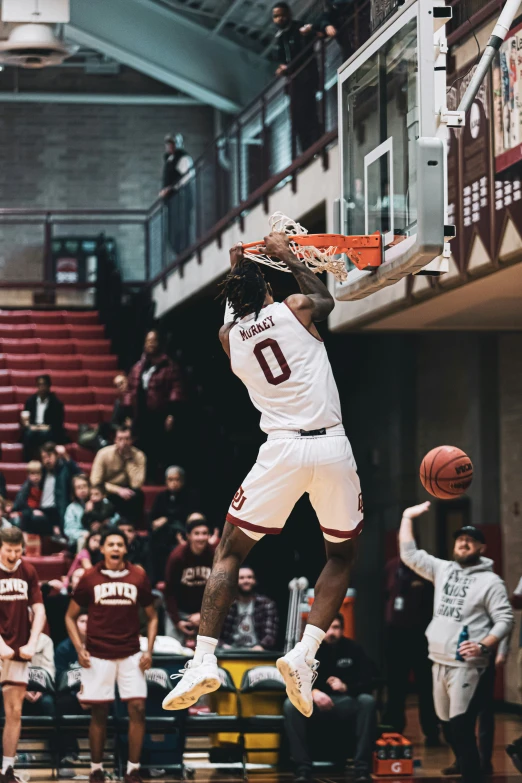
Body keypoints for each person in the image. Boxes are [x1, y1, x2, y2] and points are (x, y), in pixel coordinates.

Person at [163, 235, 363, 715]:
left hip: (280, 451)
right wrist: (289, 255)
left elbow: (237, 313)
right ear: (270, 289)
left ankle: (204, 660)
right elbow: (325, 298)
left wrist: (239, 267)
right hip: (331, 443)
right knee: (340, 556)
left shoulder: (229, 340)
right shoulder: (295, 306)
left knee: (229, 550)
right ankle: (304, 653)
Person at [399, 502, 513, 783]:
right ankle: (466, 765)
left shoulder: (491, 582)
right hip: (438, 661)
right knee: (448, 725)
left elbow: (505, 619)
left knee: (461, 727)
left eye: (471, 540)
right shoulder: (444, 569)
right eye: (461, 539)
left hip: (467, 666)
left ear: (482, 548)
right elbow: (409, 554)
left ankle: (473, 776)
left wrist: (484, 645)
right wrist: (406, 517)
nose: (463, 543)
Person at [65, 526, 158, 783]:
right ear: (102, 549)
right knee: (99, 712)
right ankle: (96, 769)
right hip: (97, 653)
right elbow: (70, 617)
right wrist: (79, 647)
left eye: (120, 544)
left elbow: (152, 617)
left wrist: (148, 649)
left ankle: (133, 770)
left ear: (125, 549)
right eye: (111, 544)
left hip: (130, 653)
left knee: (138, 708)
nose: (116, 548)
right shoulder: (89, 577)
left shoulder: (138, 576)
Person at [284, 615, 377, 783]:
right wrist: (314, 693)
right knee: (290, 705)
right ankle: (302, 770)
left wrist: (346, 687)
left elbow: (370, 681)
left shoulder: (354, 649)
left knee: (367, 701)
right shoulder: (307, 653)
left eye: (336, 628)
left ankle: (362, 769)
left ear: (342, 629)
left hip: (345, 702)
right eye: (327, 628)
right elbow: (293, 682)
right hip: (314, 705)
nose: (331, 632)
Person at [0, 527, 46, 783]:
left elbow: (39, 611)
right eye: (9, 550)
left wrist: (32, 643)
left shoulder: (27, 570)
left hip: (17, 650)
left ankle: (7, 770)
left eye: (18, 551)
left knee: (14, 711)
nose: (14, 555)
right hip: (1, 646)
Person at [382, 554, 440, 744]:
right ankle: (393, 728)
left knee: (426, 686)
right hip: (396, 635)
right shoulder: (391, 566)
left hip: (422, 635)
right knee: (396, 685)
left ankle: (431, 731)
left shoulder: (425, 568)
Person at [126, 330, 185, 481]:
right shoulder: (139, 366)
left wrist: (172, 413)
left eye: (153, 341)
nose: (151, 344)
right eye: (148, 341)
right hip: (141, 412)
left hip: (159, 413)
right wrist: (128, 413)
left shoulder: (168, 366)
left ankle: (157, 477)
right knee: (140, 445)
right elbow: (131, 388)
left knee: (158, 447)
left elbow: (176, 390)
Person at [272, 3, 320, 153]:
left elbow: (306, 51)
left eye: (282, 15)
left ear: (289, 15)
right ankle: (306, 151)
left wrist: (288, 68)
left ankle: (316, 146)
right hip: (294, 83)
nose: (279, 19)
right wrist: (282, 69)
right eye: (276, 16)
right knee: (297, 120)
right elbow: (281, 60)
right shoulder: (280, 38)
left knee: (309, 113)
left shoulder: (299, 29)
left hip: (306, 78)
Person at [164, 514, 217, 643]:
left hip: (207, 611)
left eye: (205, 533)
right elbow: (169, 591)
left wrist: (202, 614)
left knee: (210, 648)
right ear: (188, 536)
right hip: (179, 611)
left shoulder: (215, 555)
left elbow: (218, 591)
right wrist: (177, 621)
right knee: (172, 647)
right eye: (196, 533)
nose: (201, 537)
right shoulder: (177, 557)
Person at [149, 466, 199, 584]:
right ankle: (157, 580)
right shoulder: (161, 496)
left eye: (177, 480)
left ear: (182, 481)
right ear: (166, 481)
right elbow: (153, 517)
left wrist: (166, 519)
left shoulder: (191, 495)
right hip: (163, 534)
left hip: (181, 531)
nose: (174, 483)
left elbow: (186, 515)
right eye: (170, 480)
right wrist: (155, 523)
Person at [54, 611, 89, 773]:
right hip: (71, 696)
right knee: (61, 703)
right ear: (74, 624)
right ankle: (68, 753)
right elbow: (59, 679)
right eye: (82, 621)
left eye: (90, 621)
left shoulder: (101, 647)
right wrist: (78, 695)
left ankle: (120, 758)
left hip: (96, 695)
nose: (86, 625)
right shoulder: (63, 648)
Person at [90, 427, 145, 522]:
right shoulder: (103, 454)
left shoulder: (139, 456)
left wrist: (129, 460)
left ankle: (129, 526)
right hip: (107, 490)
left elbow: (136, 484)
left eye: (127, 439)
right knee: (97, 494)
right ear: (115, 440)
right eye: (120, 439)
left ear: (132, 440)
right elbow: (95, 481)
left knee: (138, 495)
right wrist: (117, 490)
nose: (123, 442)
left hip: (127, 492)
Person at [220, 566, 279, 650]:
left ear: (254, 581)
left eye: (249, 577)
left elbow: (270, 635)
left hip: (257, 652)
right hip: (230, 652)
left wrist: (261, 646)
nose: (246, 580)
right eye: (241, 578)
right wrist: (223, 645)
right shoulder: (226, 605)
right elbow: (216, 634)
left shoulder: (266, 604)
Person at [21, 375, 66, 461]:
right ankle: (27, 461)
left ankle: (45, 460)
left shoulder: (56, 403)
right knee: (28, 434)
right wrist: (28, 425)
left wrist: (44, 427)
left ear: (49, 386)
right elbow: (25, 419)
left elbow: (58, 424)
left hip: (48, 429)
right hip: (33, 428)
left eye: (44, 384)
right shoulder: (30, 401)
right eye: (39, 385)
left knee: (44, 434)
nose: (41, 387)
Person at [40, 442, 80, 535]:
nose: (47, 460)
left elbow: (79, 475)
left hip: (59, 511)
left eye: (49, 456)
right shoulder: (42, 472)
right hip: (43, 512)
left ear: (57, 456)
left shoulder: (64, 470)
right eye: (44, 457)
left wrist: (65, 456)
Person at [64, 474, 91, 546]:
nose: (82, 490)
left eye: (85, 486)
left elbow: (113, 519)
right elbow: (69, 530)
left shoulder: (100, 502)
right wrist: (82, 533)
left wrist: (102, 523)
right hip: (79, 540)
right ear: (74, 491)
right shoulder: (71, 508)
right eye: (79, 488)